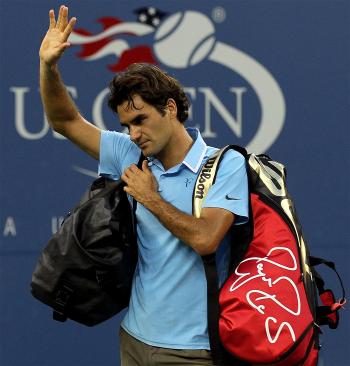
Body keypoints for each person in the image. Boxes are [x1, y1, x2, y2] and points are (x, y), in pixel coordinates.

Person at [39, 5, 249, 366]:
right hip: (134, 338)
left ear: (170, 108)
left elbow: (205, 239)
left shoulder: (224, 165)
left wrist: (150, 197)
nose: (134, 134)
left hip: (192, 351)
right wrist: (48, 66)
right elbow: (64, 120)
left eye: (140, 120)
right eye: (126, 126)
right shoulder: (130, 154)